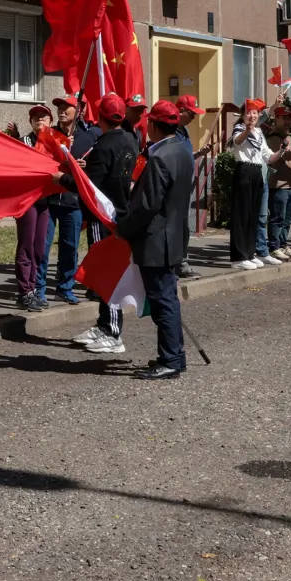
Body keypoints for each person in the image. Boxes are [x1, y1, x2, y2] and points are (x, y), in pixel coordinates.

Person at [117, 101, 195, 380]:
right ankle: (175, 356)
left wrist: (123, 227)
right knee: (167, 300)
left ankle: (171, 359)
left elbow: (147, 205)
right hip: (173, 237)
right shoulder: (183, 153)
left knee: (163, 302)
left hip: (157, 240)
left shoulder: (160, 157)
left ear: (152, 125)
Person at [69, 94, 138, 355]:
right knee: (105, 270)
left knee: (105, 272)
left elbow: (90, 184)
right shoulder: (130, 140)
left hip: (104, 215)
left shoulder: (104, 146)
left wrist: (66, 176)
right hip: (120, 211)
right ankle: (103, 324)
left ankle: (112, 330)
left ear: (100, 118)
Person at [42, 96, 85, 304]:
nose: (60, 110)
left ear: (78, 111)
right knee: (42, 247)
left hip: (72, 200)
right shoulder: (49, 135)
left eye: (66, 107)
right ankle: (39, 289)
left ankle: (65, 287)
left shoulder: (87, 136)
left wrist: (81, 165)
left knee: (70, 247)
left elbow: (96, 166)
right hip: (49, 200)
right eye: (58, 107)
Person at [14, 104, 56, 311]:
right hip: (28, 201)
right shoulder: (24, 142)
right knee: (27, 245)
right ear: (30, 122)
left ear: (51, 122)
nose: (40, 120)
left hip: (45, 201)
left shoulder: (57, 142)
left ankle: (33, 288)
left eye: (44, 117)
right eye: (36, 117)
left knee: (40, 248)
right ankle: (24, 291)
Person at [226, 99, 274, 271]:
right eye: (249, 113)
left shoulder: (259, 132)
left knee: (253, 215)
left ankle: (249, 253)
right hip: (244, 170)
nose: (252, 115)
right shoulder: (239, 129)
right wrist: (247, 129)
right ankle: (238, 257)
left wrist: (283, 151)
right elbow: (237, 142)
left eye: (255, 113)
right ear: (243, 115)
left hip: (257, 171)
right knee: (242, 214)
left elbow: (268, 156)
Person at [265, 106, 291, 263]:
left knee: (287, 220)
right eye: (284, 118)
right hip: (279, 186)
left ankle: (283, 243)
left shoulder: (289, 137)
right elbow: (286, 155)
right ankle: (274, 247)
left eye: (290, 118)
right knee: (277, 218)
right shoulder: (274, 138)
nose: (288, 121)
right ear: (277, 119)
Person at [174, 94, 204, 277]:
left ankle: (181, 263)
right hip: (174, 187)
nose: (194, 117)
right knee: (175, 227)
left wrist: (198, 153)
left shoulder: (183, 131)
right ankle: (175, 265)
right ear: (181, 110)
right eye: (191, 113)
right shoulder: (170, 131)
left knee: (183, 227)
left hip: (184, 186)